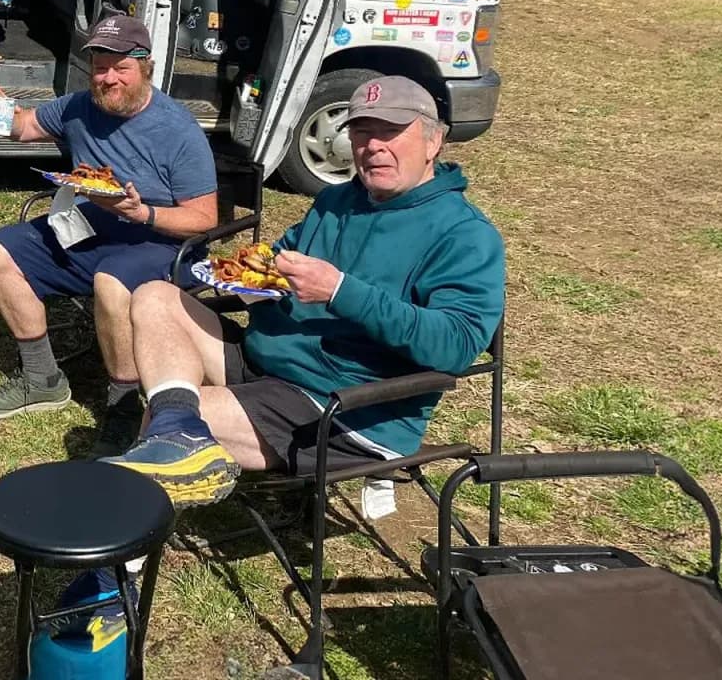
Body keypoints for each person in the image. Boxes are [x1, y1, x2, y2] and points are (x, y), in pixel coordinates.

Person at [104, 75, 506, 508]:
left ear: (434, 141)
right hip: (275, 361)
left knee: (162, 426)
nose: (373, 146)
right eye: (361, 132)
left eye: (390, 132)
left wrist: (338, 290)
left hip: (347, 406)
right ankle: (174, 428)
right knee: (154, 296)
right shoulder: (338, 201)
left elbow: (455, 347)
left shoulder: (464, 234)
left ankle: (116, 564)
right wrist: (253, 277)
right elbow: (280, 261)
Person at [0, 14, 220, 434]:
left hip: (161, 242)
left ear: (145, 68)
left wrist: (145, 213)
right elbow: (25, 126)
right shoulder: (79, 107)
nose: (108, 79)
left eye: (121, 68)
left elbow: (204, 219)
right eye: (100, 68)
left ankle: (122, 411)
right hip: (91, 228)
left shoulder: (178, 130)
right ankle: (41, 379)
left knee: (110, 278)